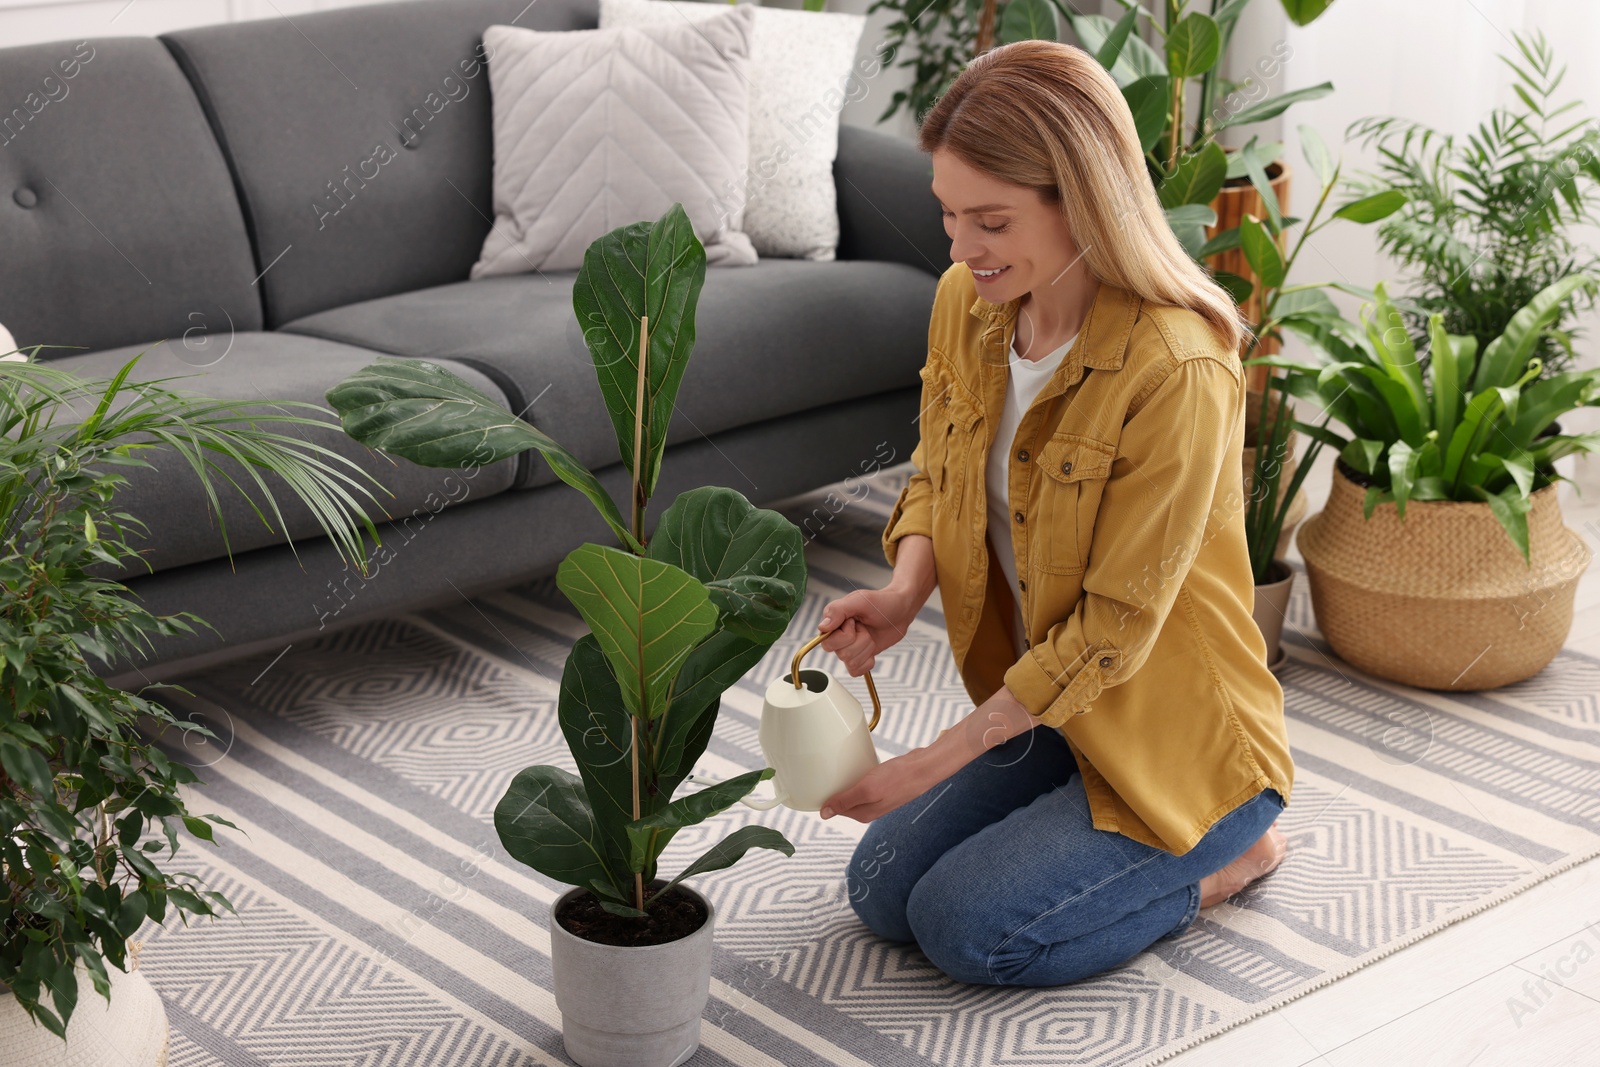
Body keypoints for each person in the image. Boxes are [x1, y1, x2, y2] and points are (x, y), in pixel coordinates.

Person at [813, 38, 1295, 988]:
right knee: (879, 890)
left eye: (989, 220)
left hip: (1180, 746)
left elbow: (1113, 630)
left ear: (1081, 201)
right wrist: (906, 586)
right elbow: (936, 469)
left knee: (965, 930)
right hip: (1054, 719)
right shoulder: (969, 299)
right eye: (949, 216)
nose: (959, 249)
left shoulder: (1179, 365)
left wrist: (925, 763)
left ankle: (1231, 857)